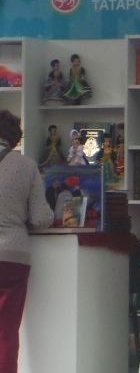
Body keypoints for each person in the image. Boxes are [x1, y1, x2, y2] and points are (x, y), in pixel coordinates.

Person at [0, 110, 55, 371]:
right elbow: (41, 218)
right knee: (5, 333)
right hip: (12, 257)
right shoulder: (26, 166)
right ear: (14, 137)